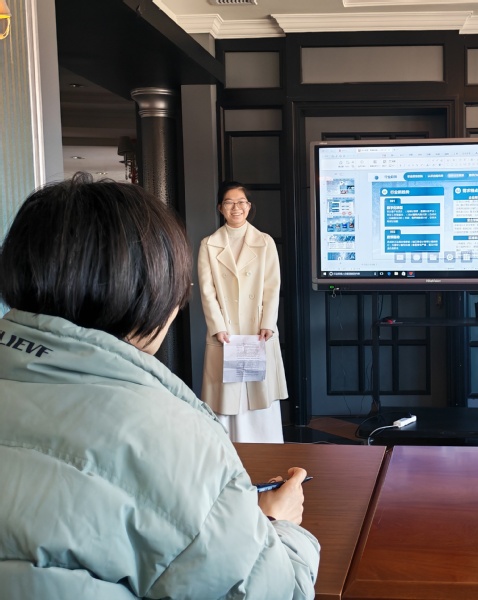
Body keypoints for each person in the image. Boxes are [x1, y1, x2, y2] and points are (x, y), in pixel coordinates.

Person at [0, 174, 319, 599]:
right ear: (158, 297)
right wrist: (275, 526)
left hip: (254, 334)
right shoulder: (177, 438)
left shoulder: (263, 243)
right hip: (228, 341)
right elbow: (276, 589)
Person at [198, 181, 289, 443]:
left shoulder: (265, 242)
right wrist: (217, 326)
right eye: (229, 202)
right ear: (220, 207)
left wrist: (268, 322)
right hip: (226, 332)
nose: (236, 207)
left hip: (257, 329)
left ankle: (267, 448)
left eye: (241, 202)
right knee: (227, 394)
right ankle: (229, 452)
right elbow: (207, 291)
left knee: (260, 392)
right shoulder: (209, 244)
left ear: (249, 206)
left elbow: (272, 286)